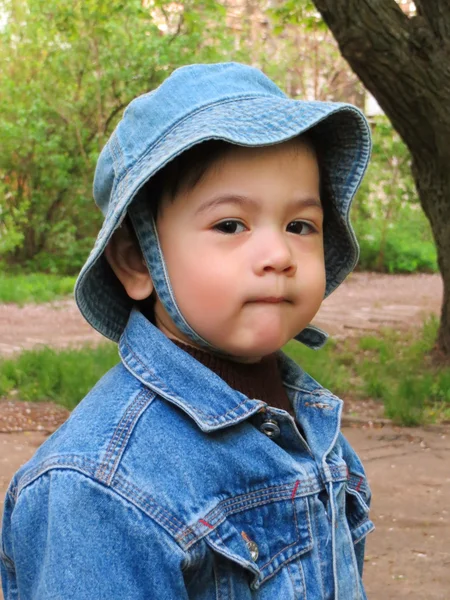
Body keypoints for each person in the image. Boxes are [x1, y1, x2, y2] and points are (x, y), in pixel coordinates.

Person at [0, 62, 374, 599]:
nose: (278, 255)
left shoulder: (313, 426)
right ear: (136, 262)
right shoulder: (101, 489)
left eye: (300, 226)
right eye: (230, 225)